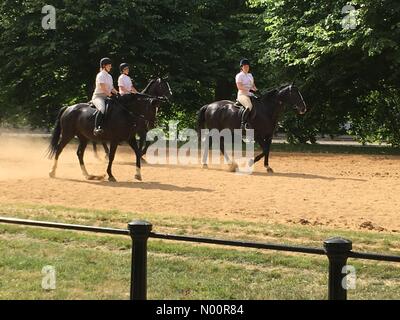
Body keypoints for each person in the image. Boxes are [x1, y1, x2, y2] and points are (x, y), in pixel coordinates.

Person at [92, 57, 119, 136]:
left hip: (107, 96)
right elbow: (103, 88)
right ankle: (96, 128)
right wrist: (111, 95)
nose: (111, 67)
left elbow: (112, 88)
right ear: (104, 66)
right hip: (98, 97)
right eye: (109, 65)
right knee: (102, 109)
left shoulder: (109, 76)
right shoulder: (100, 75)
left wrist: (118, 93)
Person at [235, 58, 258, 129]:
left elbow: (253, 85)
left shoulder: (250, 75)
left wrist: (256, 90)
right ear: (242, 67)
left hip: (250, 94)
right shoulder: (239, 75)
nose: (247, 68)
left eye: (248, 66)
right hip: (242, 94)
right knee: (249, 106)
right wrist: (249, 89)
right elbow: (239, 87)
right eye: (245, 66)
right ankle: (243, 123)